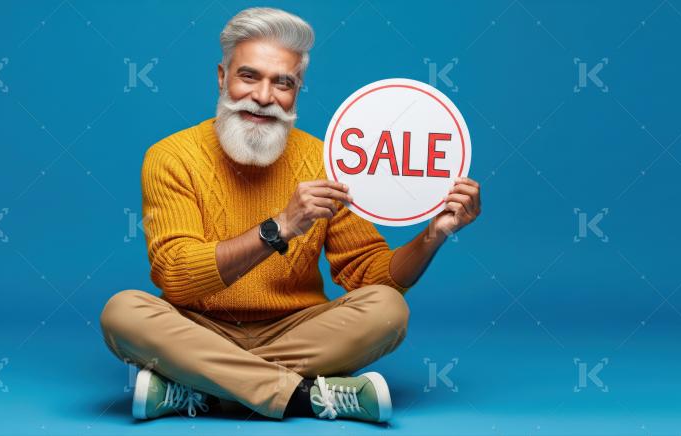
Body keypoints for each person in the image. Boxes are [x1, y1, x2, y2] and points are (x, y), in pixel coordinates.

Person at [99, 6, 481, 423]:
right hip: (197, 327)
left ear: (298, 89)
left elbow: (370, 277)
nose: (264, 97)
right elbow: (176, 275)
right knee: (123, 313)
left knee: (387, 309)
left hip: (296, 330)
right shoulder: (171, 156)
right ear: (222, 77)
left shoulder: (326, 160)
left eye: (283, 82)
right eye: (249, 76)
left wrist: (433, 236)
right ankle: (306, 397)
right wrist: (280, 228)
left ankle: (203, 387)